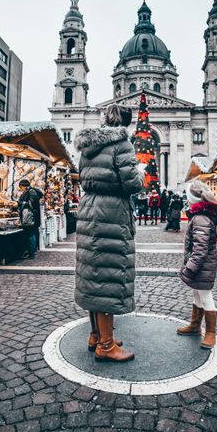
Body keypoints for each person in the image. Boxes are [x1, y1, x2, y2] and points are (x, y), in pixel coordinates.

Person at [74, 104, 144, 362]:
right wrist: (140, 175)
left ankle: (96, 335)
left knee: (94, 274)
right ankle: (106, 345)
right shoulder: (122, 144)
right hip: (111, 212)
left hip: (89, 207)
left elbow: (82, 177)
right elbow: (132, 183)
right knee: (108, 276)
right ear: (125, 123)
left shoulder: (88, 145)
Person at [177, 180, 217, 348]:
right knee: (198, 295)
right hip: (202, 266)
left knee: (206, 297)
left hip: (202, 267)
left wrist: (189, 268)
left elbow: (200, 249)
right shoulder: (201, 216)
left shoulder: (200, 218)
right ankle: (195, 325)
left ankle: (211, 333)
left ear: (193, 199)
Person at [18, 179, 41, 259]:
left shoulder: (31, 192)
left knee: (31, 234)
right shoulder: (30, 191)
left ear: (23, 186)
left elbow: (31, 203)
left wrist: (21, 203)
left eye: (21, 187)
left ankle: (31, 252)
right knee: (31, 233)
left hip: (31, 216)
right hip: (32, 216)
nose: (21, 189)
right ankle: (31, 251)